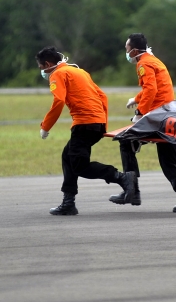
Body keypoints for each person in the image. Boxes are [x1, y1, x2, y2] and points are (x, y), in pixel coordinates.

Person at [37, 46, 136, 215]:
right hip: (95, 123)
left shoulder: (57, 74)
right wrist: (102, 124)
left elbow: (59, 100)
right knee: (68, 157)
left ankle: (121, 177)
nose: (42, 72)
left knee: (79, 165)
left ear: (47, 64)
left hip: (84, 124)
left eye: (41, 68)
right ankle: (68, 202)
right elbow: (102, 96)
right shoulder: (79, 71)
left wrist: (45, 126)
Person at [109, 33, 176, 213]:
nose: (126, 52)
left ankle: (132, 190)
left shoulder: (144, 63)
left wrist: (139, 113)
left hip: (158, 116)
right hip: (170, 114)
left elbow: (151, 89)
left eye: (127, 49)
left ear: (134, 50)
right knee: (168, 159)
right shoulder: (153, 60)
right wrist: (136, 98)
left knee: (126, 140)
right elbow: (153, 88)